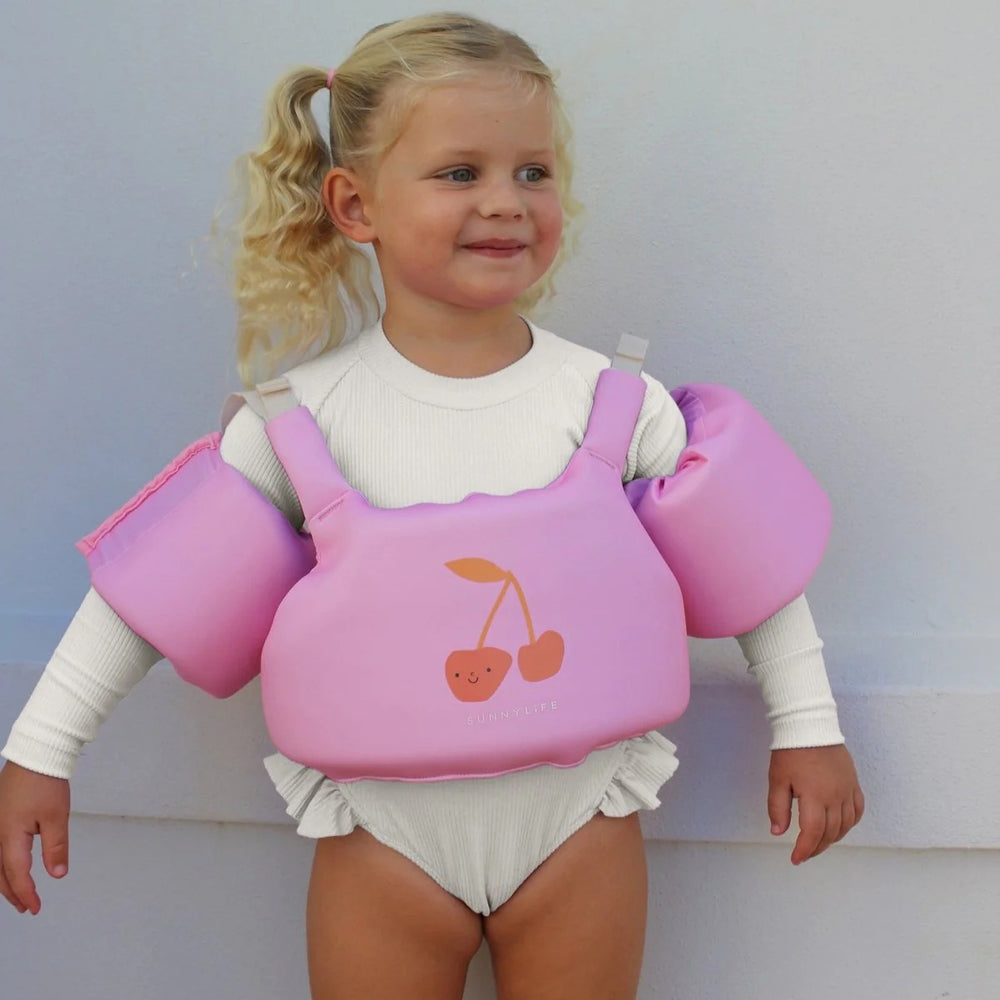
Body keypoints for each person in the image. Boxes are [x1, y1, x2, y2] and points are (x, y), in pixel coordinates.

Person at [0, 13, 864, 999]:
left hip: (577, 829)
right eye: (461, 173)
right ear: (354, 203)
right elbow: (140, 602)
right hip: (384, 848)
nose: (506, 201)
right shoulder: (298, 420)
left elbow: (749, 570)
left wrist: (808, 724)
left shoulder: (616, 402)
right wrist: (38, 753)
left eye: (531, 172)